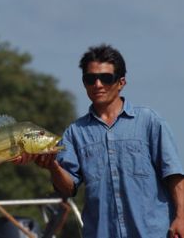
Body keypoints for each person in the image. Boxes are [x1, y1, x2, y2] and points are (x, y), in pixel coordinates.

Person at [37, 44, 184, 238]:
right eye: (90, 79)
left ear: (121, 82)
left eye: (106, 78)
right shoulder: (74, 132)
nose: (98, 84)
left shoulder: (149, 121)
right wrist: (53, 166)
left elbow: (173, 175)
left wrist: (181, 217)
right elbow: (68, 187)